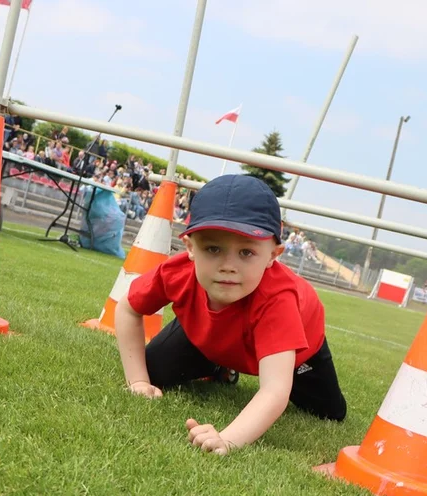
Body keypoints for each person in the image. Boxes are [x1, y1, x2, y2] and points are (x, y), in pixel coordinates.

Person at [114, 174, 347, 456]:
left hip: (300, 350)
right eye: (213, 248)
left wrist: (228, 439)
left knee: (330, 412)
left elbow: (274, 391)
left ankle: (221, 363)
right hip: (206, 336)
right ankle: (218, 366)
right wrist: (138, 381)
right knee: (153, 371)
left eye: (246, 252)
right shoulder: (177, 273)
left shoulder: (278, 298)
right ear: (190, 247)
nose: (228, 265)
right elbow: (128, 307)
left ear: (273, 255)